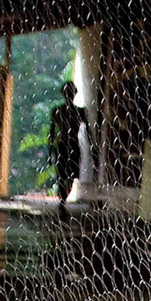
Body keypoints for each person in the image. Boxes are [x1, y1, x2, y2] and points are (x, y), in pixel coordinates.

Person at [49, 79, 86, 208]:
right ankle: (62, 200)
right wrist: (50, 151)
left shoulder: (79, 112)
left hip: (71, 146)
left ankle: (63, 198)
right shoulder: (58, 111)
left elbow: (89, 130)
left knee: (72, 175)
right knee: (62, 175)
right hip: (64, 145)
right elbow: (52, 133)